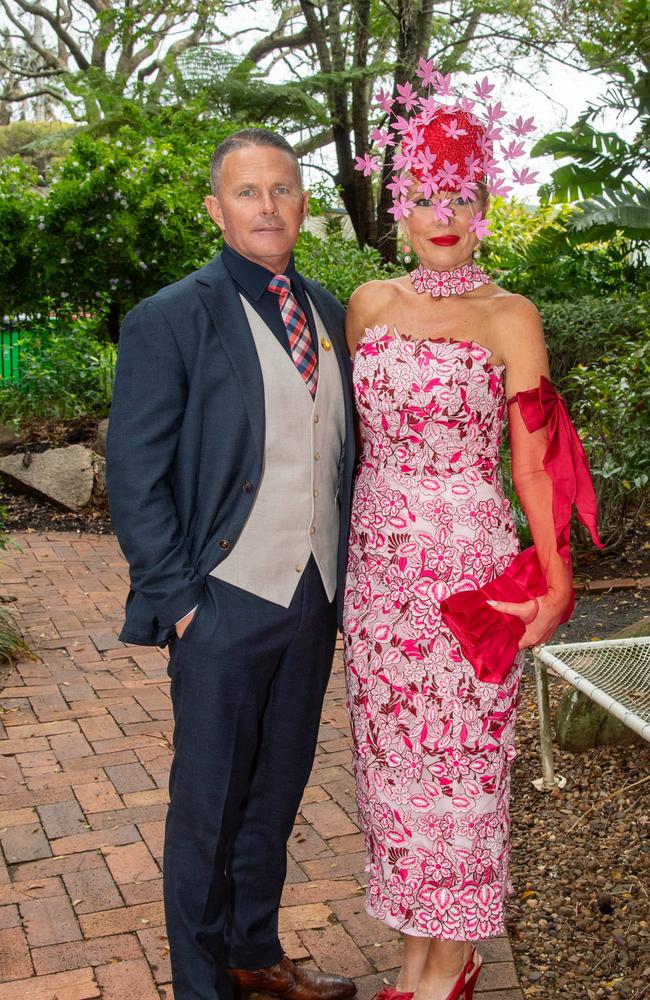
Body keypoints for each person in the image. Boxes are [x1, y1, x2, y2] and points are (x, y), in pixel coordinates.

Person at [342, 69, 601, 1000]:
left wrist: (556, 575)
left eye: (459, 197)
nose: (440, 214)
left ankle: (443, 967)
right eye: (423, 196)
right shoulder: (367, 305)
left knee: (458, 764)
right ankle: (421, 951)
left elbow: (531, 464)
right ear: (398, 209)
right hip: (376, 579)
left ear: (484, 209)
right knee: (397, 763)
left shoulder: (509, 317)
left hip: (467, 577)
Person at [106, 128, 357, 1000]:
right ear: (217, 209)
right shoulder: (170, 317)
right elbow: (135, 478)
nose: (267, 207)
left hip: (313, 594)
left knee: (276, 794)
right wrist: (180, 603)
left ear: (302, 204)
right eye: (247, 192)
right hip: (222, 601)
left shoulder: (331, 313)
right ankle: (202, 987)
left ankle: (254, 955)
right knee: (206, 811)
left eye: (282, 190)